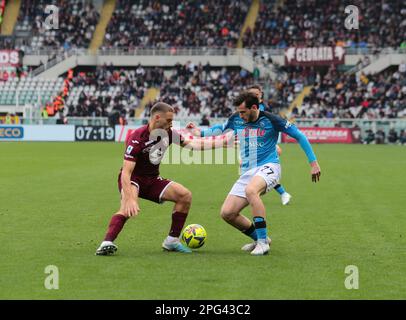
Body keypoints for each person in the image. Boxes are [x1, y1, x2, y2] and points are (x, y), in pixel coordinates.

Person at [187, 91, 321, 255]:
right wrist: (198, 133)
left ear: (254, 107)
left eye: (243, 112)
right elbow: (220, 129)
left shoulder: (272, 120)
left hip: (270, 166)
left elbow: (300, 136)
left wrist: (313, 163)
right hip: (248, 171)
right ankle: (259, 238)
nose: (240, 115)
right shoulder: (236, 118)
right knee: (227, 213)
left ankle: (263, 243)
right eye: (239, 112)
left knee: (251, 191)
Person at [95, 102, 230, 256]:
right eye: (169, 120)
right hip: (133, 179)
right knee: (127, 208)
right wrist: (130, 198)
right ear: (157, 118)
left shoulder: (169, 133)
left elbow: (193, 144)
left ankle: (172, 241)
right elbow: (126, 172)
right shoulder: (137, 138)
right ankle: (107, 242)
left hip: (152, 180)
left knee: (184, 196)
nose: (171, 124)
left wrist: (222, 142)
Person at [247, 84, 292, 205]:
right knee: (251, 172)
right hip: (252, 142)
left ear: (260, 96)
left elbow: (264, 128)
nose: (254, 96)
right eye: (252, 94)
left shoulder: (260, 109)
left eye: (257, 94)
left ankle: (282, 193)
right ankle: (282, 193)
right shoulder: (247, 108)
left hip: (260, 144)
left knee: (256, 172)